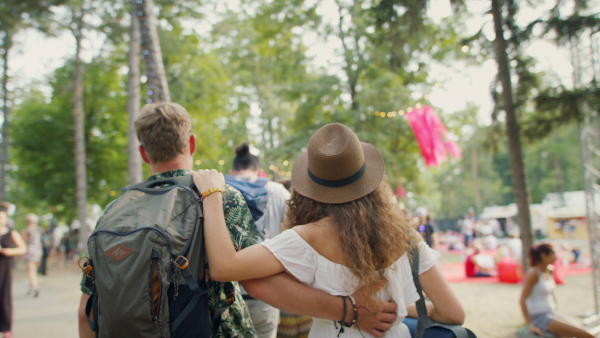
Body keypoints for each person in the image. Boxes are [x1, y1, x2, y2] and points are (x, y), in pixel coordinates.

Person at [77, 103, 397, 338]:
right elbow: (257, 280)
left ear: (144, 153)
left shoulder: (115, 209)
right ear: (191, 144)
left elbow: (88, 309)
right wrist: (350, 311)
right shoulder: (216, 194)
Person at [193, 123, 465, 337]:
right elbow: (453, 313)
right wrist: (393, 312)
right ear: (369, 181)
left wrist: (213, 194)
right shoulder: (405, 235)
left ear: (310, 188)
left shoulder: (309, 237)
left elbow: (224, 267)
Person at [227, 142, 291, 338]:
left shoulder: (218, 190)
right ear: (260, 171)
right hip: (268, 292)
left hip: (227, 294)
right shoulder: (277, 191)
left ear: (232, 171)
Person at [519, 243, 593, 338]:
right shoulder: (533, 274)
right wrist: (530, 325)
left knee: (583, 329)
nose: (555, 257)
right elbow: (522, 300)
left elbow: (551, 294)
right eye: (553, 254)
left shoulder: (549, 270)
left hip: (551, 313)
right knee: (586, 335)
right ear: (543, 256)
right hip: (540, 317)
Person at [0, 205, 27, 338]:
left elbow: (22, 248)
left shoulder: (11, 233)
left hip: (4, 268)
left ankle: (6, 328)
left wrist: (10, 251)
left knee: (4, 297)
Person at [21, 213, 43, 297]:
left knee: (31, 271)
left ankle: (35, 287)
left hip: (30, 251)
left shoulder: (26, 230)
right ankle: (31, 287)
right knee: (34, 271)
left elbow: (24, 241)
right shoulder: (39, 229)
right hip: (38, 251)